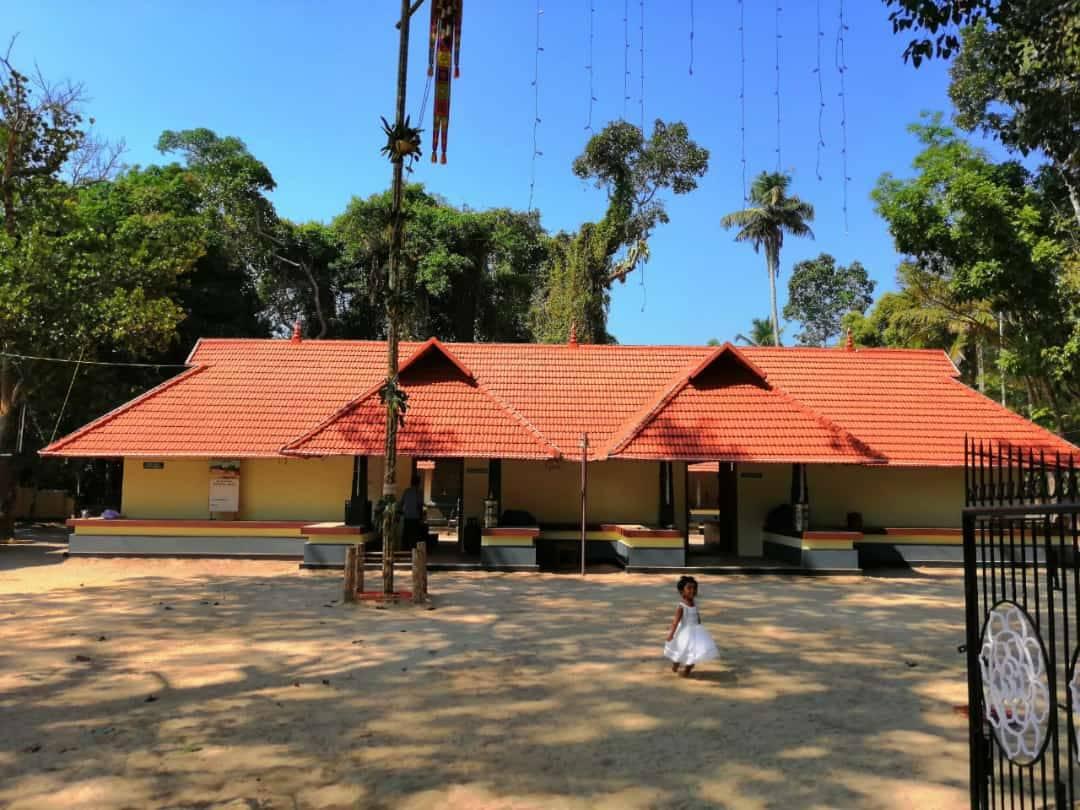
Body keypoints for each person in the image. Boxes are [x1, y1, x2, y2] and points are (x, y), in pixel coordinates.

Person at [664, 575, 719, 677]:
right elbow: (675, 622)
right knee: (680, 652)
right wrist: (671, 634)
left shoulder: (694, 603)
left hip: (696, 632)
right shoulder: (681, 606)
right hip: (684, 633)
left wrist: (700, 627)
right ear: (682, 591)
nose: (692, 591)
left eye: (694, 588)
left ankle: (687, 671)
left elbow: (697, 615)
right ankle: (675, 666)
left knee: (693, 654)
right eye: (689, 588)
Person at [399, 474, 424, 550]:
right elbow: (419, 505)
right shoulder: (418, 492)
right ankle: (413, 551)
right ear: (418, 483)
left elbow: (401, 503)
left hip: (407, 517)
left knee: (406, 535)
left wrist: (401, 512)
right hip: (415, 517)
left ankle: (404, 550)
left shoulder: (406, 491)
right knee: (414, 536)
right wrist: (421, 517)